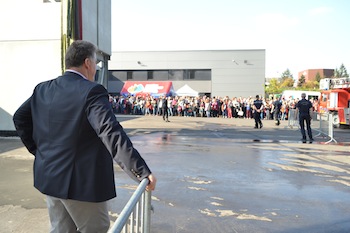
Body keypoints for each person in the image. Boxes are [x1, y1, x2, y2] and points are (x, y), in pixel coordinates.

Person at [12, 40, 157, 233]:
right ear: (87, 63)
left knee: (60, 230)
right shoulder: (92, 91)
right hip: (81, 184)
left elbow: (19, 118)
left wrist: (39, 152)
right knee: (96, 228)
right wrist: (141, 171)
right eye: (96, 63)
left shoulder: (43, 89)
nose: (96, 69)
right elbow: (110, 132)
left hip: (49, 176)